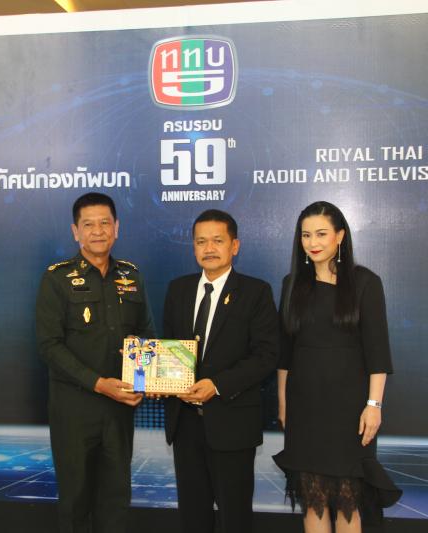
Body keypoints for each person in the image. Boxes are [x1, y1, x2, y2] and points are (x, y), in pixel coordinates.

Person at [274, 201, 401, 533]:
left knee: (347, 502)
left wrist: (374, 405)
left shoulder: (364, 283)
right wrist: (284, 403)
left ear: (340, 236)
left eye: (321, 234)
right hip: (304, 409)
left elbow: (378, 352)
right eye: (306, 235)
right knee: (312, 500)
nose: (313, 242)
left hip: (349, 411)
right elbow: (285, 354)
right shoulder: (291, 284)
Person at [36, 192, 155, 533]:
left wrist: (142, 382)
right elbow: (49, 346)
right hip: (74, 410)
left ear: (117, 227)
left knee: (115, 500)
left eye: (105, 223)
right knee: (75, 501)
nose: (98, 231)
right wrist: (99, 384)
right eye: (88, 224)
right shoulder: (57, 278)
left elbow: (145, 334)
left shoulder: (131, 275)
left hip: (119, 410)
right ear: (76, 231)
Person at [163, 209, 279, 533]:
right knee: (193, 516)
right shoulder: (178, 289)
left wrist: (216, 384)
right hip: (185, 425)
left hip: (232, 423)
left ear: (234, 246)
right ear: (193, 247)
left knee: (234, 517)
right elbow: (170, 348)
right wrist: (153, 373)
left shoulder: (256, 292)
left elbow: (266, 355)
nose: (209, 248)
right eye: (201, 241)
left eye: (217, 240)